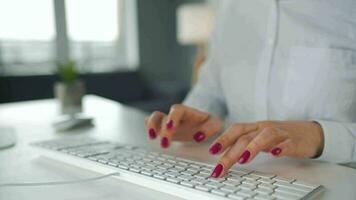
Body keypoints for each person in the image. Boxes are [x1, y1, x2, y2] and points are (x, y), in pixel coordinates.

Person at [144, 0, 356, 178]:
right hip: (235, 179)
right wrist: (191, 121)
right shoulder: (229, 8)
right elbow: (211, 91)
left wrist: (320, 137)